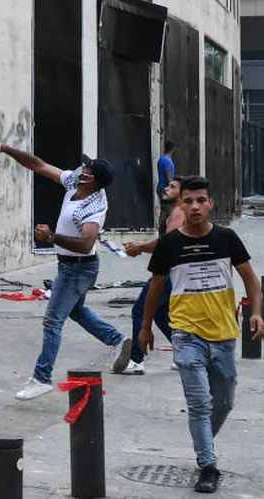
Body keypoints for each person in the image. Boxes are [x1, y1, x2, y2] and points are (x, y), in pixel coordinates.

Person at [139, 176, 264, 493]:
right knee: (198, 404)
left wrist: (258, 312)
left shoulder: (227, 239)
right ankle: (208, 465)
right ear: (180, 205)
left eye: (201, 201)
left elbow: (250, 278)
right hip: (186, 334)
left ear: (210, 204)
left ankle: (203, 438)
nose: (194, 206)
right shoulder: (170, 244)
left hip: (224, 334)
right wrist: (145, 327)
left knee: (222, 403)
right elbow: (155, 288)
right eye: (188, 201)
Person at [0, 139, 132, 401]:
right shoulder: (75, 182)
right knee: (76, 311)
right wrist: (5, 149)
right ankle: (118, 340)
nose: (80, 168)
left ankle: (42, 377)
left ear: (92, 179)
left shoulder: (94, 208)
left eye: (86, 167)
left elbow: (86, 245)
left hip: (78, 269)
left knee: (53, 320)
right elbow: (38, 165)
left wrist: (51, 237)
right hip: (71, 266)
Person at [118, 178, 184, 374]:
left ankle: (137, 361)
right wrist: (141, 245)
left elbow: (168, 243)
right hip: (170, 270)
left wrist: (140, 247)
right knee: (160, 313)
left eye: (172, 187)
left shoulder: (179, 212)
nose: (166, 188)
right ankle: (184, 354)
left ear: (181, 194)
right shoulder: (170, 212)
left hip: (170, 272)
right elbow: (164, 241)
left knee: (140, 310)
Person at [157, 141, 177, 231]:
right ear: (173, 149)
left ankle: (161, 230)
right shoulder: (167, 161)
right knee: (168, 211)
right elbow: (168, 177)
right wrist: (174, 186)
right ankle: (165, 230)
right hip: (165, 188)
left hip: (161, 187)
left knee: (163, 210)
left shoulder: (161, 159)